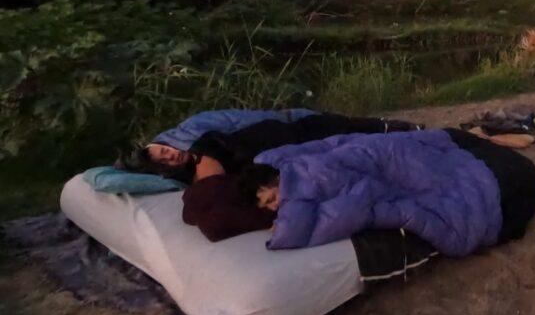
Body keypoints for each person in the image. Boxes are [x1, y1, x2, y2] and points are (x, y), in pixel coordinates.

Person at [118, 113, 422, 184]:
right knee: (346, 141)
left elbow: (216, 137)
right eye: (164, 158)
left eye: (163, 148)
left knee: (335, 123)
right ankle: (399, 137)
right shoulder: (201, 174)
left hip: (280, 132)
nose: (170, 153)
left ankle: (391, 127)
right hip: (288, 149)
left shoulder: (199, 145)